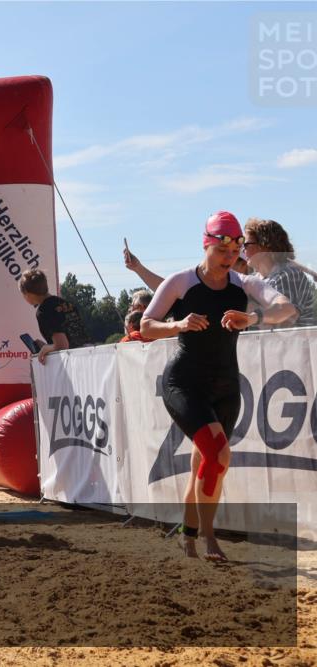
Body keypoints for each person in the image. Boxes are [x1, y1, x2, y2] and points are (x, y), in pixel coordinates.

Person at [140, 211, 296, 562]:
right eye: (222, 252)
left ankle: (188, 536)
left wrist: (252, 317)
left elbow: (285, 309)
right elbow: (146, 326)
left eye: (235, 253)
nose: (229, 260)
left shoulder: (243, 285)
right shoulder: (181, 282)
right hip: (184, 382)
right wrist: (178, 324)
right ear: (206, 245)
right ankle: (210, 539)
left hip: (225, 386)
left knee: (206, 465)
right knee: (217, 454)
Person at [243, 218, 314, 328]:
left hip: (296, 344)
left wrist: (250, 313)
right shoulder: (253, 279)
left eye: (246, 244)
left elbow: (286, 323)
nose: (243, 250)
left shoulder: (289, 275)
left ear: (264, 245)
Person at [18, 268, 90, 364]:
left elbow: (62, 346)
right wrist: (47, 346)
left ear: (28, 294)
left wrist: (44, 349)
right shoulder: (66, 304)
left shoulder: (43, 311)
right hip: (88, 357)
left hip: (72, 364)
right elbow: (72, 339)